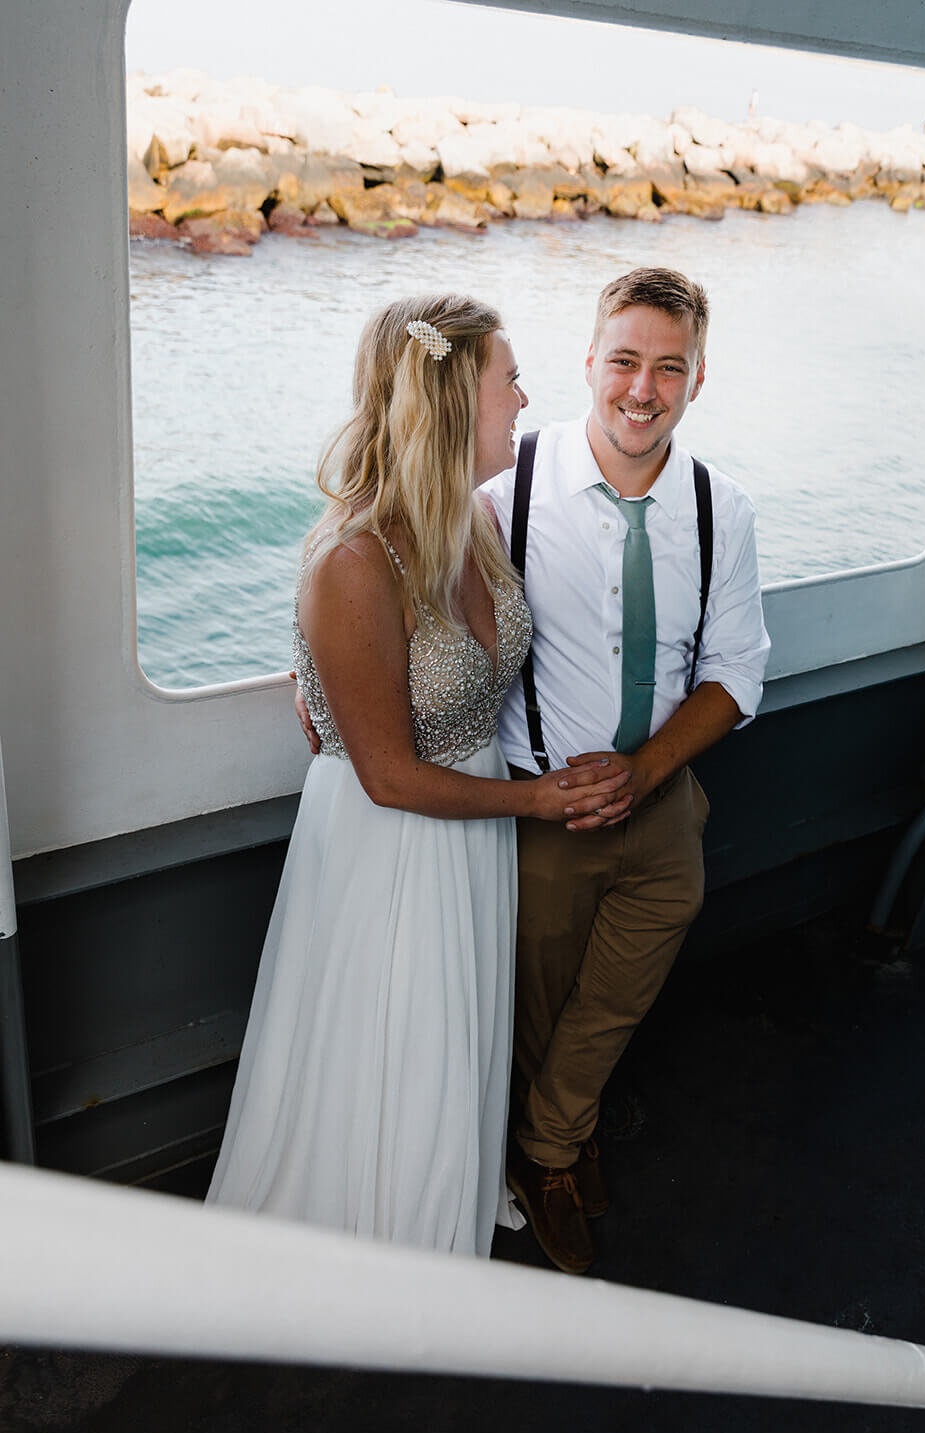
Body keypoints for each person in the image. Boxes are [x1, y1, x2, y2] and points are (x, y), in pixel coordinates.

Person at [208, 294, 630, 1257]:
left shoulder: (474, 520)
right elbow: (388, 776)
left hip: (471, 820)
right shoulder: (352, 564)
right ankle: (384, 1229)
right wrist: (539, 797)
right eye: (509, 381)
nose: (525, 399)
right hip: (389, 838)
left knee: (457, 1032)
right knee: (390, 1038)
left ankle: (451, 1178)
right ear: (451, 403)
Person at [484, 267, 771, 1274]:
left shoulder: (718, 506)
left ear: (697, 379)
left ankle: (546, 1146)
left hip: (662, 808)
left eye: (668, 368)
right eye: (623, 362)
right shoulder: (502, 488)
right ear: (589, 361)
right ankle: (554, 1154)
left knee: (617, 995)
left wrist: (644, 774)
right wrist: (318, 671)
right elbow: (389, 577)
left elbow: (735, 671)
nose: (640, 389)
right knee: (542, 1003)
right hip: (543, 815)